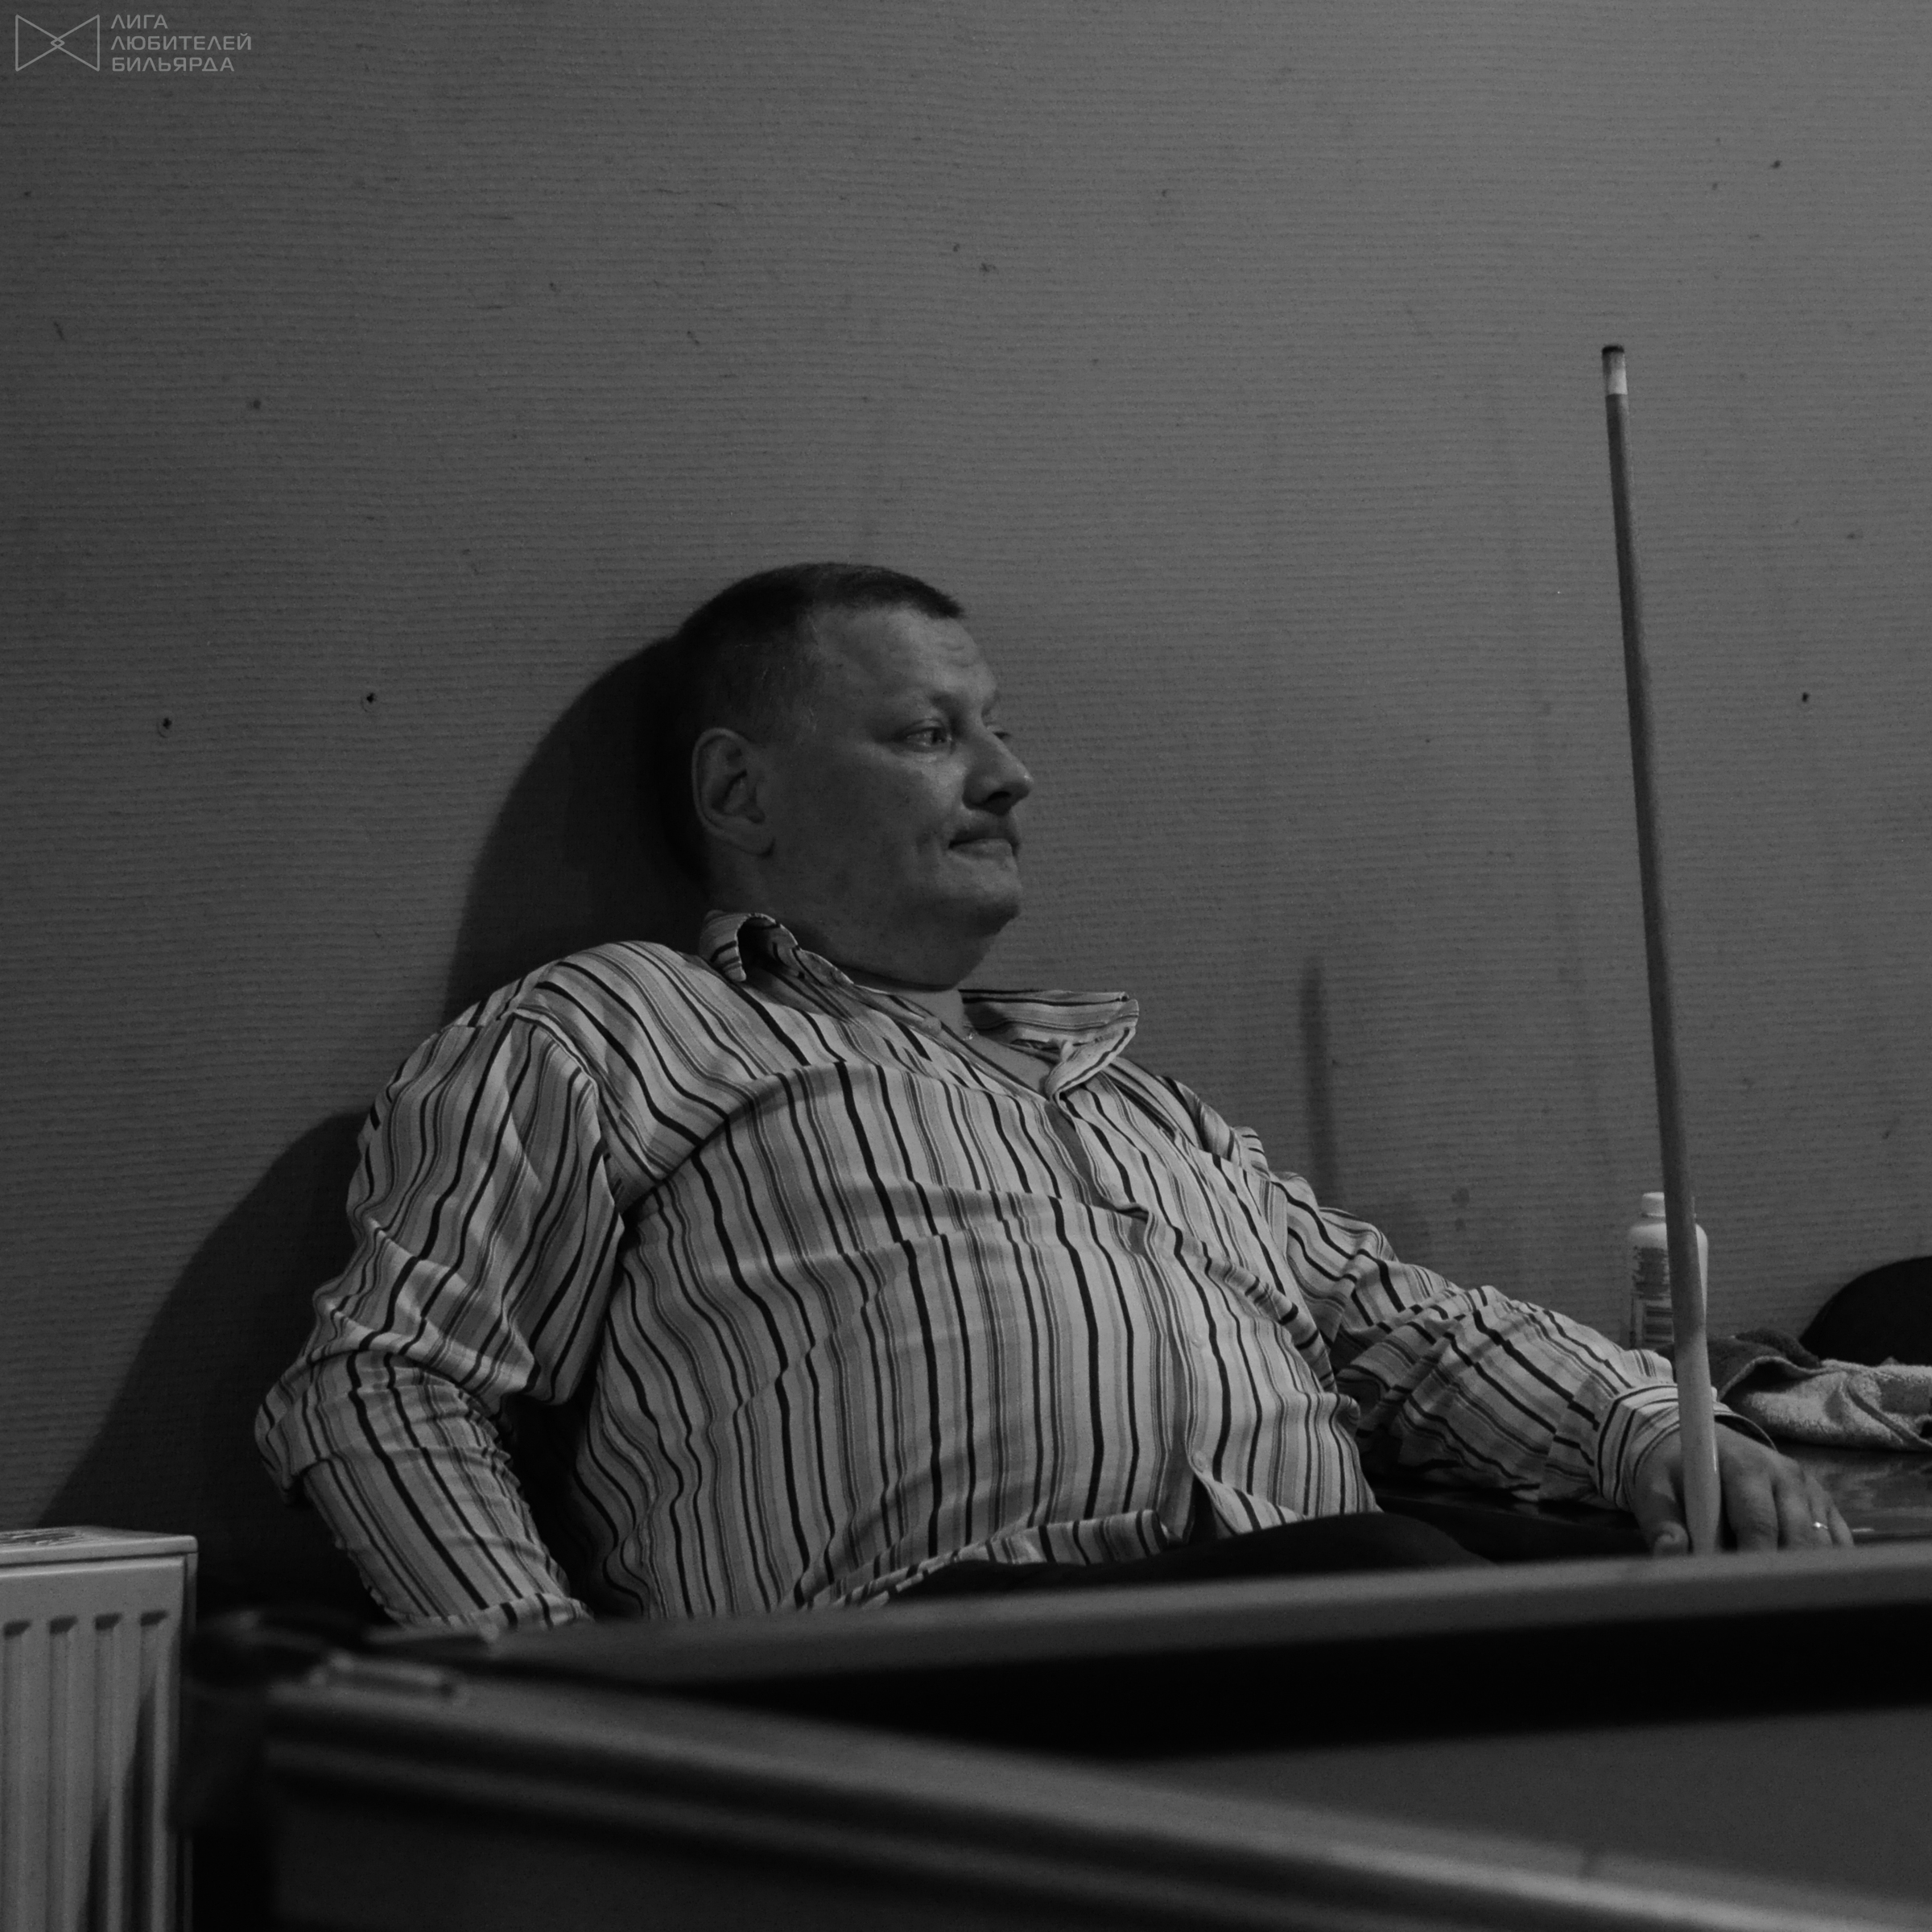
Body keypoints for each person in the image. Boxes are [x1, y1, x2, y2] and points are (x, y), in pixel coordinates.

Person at [256, 563, 1851, 1633]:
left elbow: (1410, 1327)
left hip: (1310, 1613)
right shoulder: (619, 1029)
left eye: (999, 731)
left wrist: (1657, 1428)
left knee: (1676, 1629)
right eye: (930, 734)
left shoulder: (1145, 1111)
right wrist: (545, 1702)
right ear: (741, 791)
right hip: (946, 1664)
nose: (1011, 777)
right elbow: (382, 1386)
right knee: (1438, 1609)